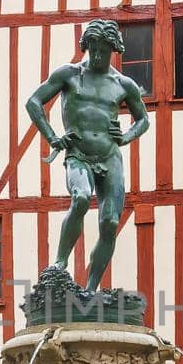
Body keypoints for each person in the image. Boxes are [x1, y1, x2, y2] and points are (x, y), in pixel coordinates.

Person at [25, 17, 149, 291]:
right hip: (78, 153)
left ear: (112, 50)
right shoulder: (68, 75)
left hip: (109, 155)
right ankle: (59, 263)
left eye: (102, 51)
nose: (96, 56)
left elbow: (143, 120)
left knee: (110, 222)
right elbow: (33, 102)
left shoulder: (123, 84)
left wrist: (126, 137)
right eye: (92, 49)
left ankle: (91, 289)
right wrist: (52, 137)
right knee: (80, 198)